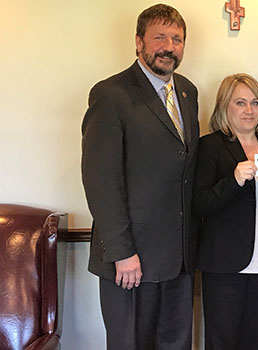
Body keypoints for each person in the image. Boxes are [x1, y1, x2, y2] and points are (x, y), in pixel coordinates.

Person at [81, 4, 199, 350]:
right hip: (132, 262)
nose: (169, 46)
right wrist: (121, 252)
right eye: (159, 37)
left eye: (177, 39)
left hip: (178, 258)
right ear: (138, 42)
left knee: (176, 343)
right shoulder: (110, 95)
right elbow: (101, 181)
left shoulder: (188, 93)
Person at [194, 73, 258, 350]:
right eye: (240, 103)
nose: (249, 110)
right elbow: (199, 203)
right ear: (224, 106)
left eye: (255, 103)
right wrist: (234, 181)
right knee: (222, 341)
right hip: (224, 264)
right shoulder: (210, 146)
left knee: (255, 339)